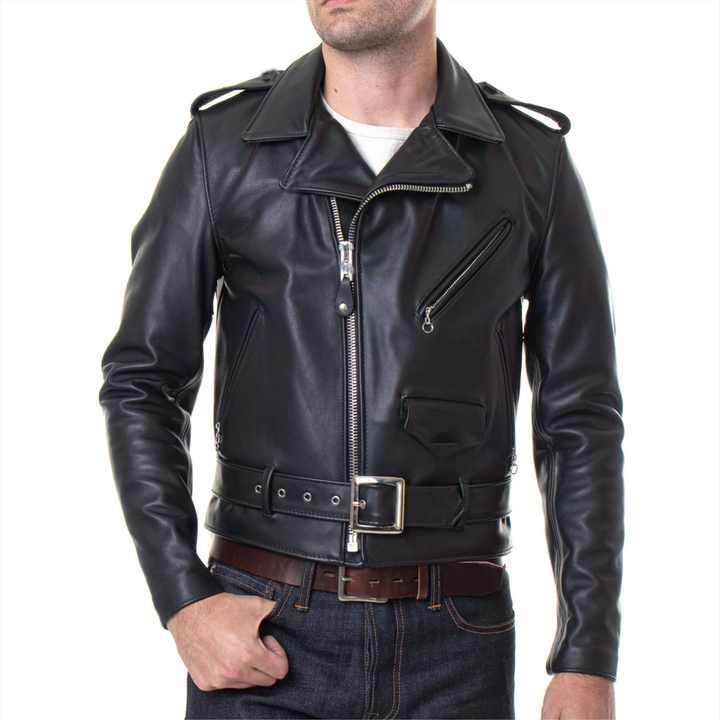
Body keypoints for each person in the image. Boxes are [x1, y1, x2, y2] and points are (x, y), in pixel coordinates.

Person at [98, 1, 624, 718]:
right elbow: (142, 382)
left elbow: (580, 420)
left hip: (458, 640)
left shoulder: (529, 162)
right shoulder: (225, 147)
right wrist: (183, 600)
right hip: (262, 631)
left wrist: (587, 655)